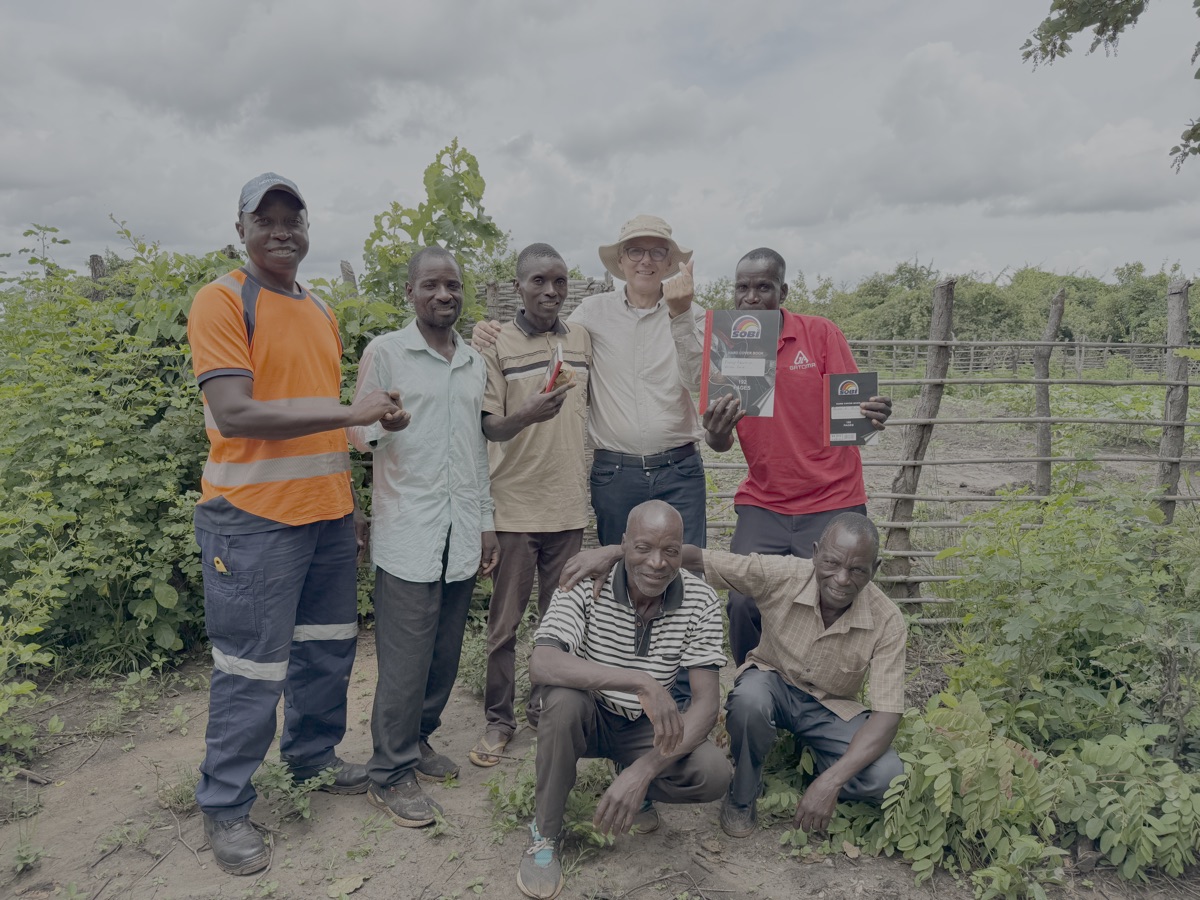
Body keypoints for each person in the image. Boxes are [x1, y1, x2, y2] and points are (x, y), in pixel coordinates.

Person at [187, 173, 403, 875]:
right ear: (241, 229)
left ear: (307, 229)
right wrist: (354, 412)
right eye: (266, 219)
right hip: (251, 523)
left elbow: (317, 418)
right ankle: (226, 805)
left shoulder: (319, 308)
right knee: (251, 668)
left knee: (327, 649)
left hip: (326, 519)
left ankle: (310, 762)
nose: (282, 231)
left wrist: (353, 505)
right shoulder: (222, 300)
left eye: (294, 219)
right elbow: (237, 412)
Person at [561, 512, 905, 841]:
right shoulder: (782, 573)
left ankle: (818, 772)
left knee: (887, 777)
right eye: (832, 563)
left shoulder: (887, 620)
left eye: (857, 570)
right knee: (750, 699)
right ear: (816, 554)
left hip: (832, 710)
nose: (842, 579)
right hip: (772, 686)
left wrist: (831, 781)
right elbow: (699, 558)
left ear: (874, 569)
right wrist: (619, 552)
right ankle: (743, 794)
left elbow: (887, 716)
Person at [348, 246, 500, 827]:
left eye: (453, 286)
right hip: (409, 530)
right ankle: (388, 772)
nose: (444, 295)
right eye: (431, 285)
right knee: (405, 659)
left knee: (442, 654)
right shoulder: (387, 353)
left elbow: (475, 451)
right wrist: (382, 426)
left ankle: (417, 740)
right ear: (410, 293)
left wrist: (486, 523)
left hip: (460, 530)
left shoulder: (471, 362)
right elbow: (355, 436)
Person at [516, 501, 730, 900]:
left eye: (670, 551)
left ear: (682, 551)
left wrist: (644, 770)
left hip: (644, 730)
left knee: (712, 773)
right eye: (643, 547)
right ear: (623, 546)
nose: (657, 563)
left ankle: (630, 777)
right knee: (561, 701)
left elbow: (705, 706)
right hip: (590, 716)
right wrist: (640, 681)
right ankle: (544, 833)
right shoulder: (584, 581)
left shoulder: (701, 600)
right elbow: (542, 662)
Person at [702, 248, 893, 665]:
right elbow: (721, 443)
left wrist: (872, 413)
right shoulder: (729, 346)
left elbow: (854, 416)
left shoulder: (820, 334)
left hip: (833, 496)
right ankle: (751, 687)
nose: (751, 297)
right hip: (765, 499)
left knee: (833, 601)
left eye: (763, 287)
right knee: (742, 603)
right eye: (743, 288)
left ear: (782, 291)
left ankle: (820, 688)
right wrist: (714, 433)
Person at [475, 215, 709, 548]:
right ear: (621, 260)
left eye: (657, 252)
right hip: (616, 473)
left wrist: (680, 315)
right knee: (617, 571)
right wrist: (488, 331)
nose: (646, 260)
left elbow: (698, 381)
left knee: (685, 568)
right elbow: (546, 338)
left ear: (671, 261)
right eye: (635, 251)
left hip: (680, 470)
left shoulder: (694, 314)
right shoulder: (591, 313)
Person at [470, 244, 592, 768]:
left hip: (568, 508)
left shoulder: (582, 338)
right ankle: (499, 721)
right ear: (518, 286)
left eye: (560, 281)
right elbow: (487, 425)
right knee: (504, 626)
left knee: (559, 621)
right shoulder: (496, 344)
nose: (550, 291)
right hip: (516, 508)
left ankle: (544, 706)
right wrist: (527, 414)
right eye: (539, 281)